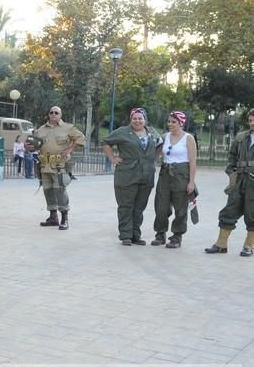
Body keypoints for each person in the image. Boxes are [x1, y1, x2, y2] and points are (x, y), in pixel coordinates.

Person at [101, 108, 160, 246]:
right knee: (126, 206)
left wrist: (154, 158)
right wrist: (113, 159)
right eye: (135, 118)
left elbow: (160, 144)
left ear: (145, 120)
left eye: (140, 118)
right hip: (127, 174)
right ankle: (126, 235)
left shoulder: (151, 132)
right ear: (131, 119)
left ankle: (135, 235)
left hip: (146, 175)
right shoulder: (123, 131)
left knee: (139, 207)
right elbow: (106, 143)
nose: (137, 121)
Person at [205, 108, 254, 256]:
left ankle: (249, 246)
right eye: (251, 120)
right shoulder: (241, 138)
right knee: (229, 211)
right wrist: (232, 173)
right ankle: (221, 245)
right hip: (239, 181)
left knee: (252, 213)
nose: (252, 123)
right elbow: (231, 158)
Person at [33, 106, 86, 230]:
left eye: (56, 113)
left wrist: (70, 149)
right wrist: (28, 146)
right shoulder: (41, 129)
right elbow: (35, 145)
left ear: (60, 115)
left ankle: (64, 218)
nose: (53, 114)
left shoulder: (68, 128)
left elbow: (81, 139)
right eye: (51, 112)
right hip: (45, 165)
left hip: (60, 166)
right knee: (48, 191)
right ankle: (53, 217)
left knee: (60, 191)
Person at [151, 111, 197, 249]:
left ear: (181, 123)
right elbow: (155, 154)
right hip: (165, 173)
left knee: (181, 207)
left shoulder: (188, 138)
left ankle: (177, 236)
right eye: (169, 121)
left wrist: (191, 182)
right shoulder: (165, 137)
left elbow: (193, 161)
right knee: (160, 206)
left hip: (181, 174)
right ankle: (160, 233)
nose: (170, 124)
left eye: (173, 122)